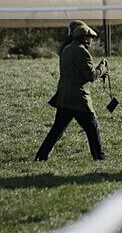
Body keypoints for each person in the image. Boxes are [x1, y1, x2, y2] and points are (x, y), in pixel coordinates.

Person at [35, 23, 108, 161]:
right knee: (92, 128)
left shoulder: (66, 49)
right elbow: (91, 76)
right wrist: (102, 67)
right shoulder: (82, 52)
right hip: (79, 99)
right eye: (90, 37)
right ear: (84, 38)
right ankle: (99, 157)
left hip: (64, 96)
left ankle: (41, 155)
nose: (91, 40)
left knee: (57, 129)